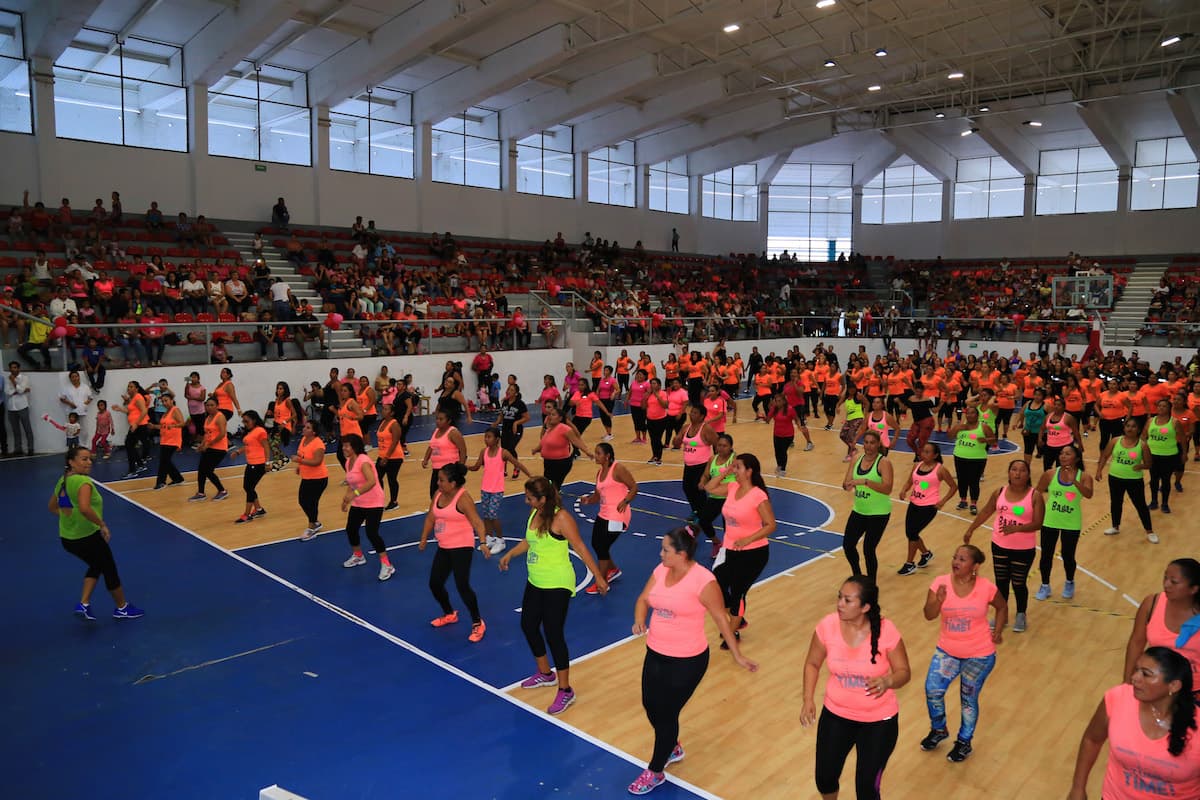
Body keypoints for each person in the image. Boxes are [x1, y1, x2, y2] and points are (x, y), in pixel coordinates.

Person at [628, 526, 757, 795]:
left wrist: (737, 655)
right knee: (649, 705)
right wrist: (640, 619)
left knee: (665, 713)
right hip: (656, 651)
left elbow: (721, 619)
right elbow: (643, 599)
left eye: (665, 550)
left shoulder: (703, 581)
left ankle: (655, 770)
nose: (660, 553)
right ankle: (672, 745)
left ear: (682, 554)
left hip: (688, 660)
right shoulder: (661, 570)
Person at [501, 477, 608, 715]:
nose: (526, 501)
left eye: (530, 497)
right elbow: (529, 542)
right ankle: (545, 673)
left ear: (543, 498)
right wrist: (511, 554)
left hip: (558, 583)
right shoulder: (535, 513)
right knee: (528, 625)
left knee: (553, 633)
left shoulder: (561, 518)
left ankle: (565, 689)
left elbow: (580, 547)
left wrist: (599, 577)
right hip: (536, 580)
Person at [800, 576, 910, 800]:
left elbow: (904, 672)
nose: (840, 603)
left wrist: (888, 681)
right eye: (839, 597)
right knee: (825, 777)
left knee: (867, 789)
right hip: (836, 716)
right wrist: (808, 699)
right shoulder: (827, 626)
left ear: (865, 607)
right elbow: (812, 663)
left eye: (848, 600)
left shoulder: (886, 631)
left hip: (879, 723)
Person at [1068, 647, 1199, 800]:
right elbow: (1092, 740)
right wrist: (1078, 788)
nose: (1134, 678)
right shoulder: (1117, 698)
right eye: (1136, 670)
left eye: (1146, 674)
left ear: (1173, 686)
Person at [920, 544, 1006, 763]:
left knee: (968, 699)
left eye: (962, 559)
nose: (956, 562)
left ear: (975, 566)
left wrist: (998, 630)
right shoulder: (940, 583)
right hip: (947, 651)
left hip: (979, 655)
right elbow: (928, 616)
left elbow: (1002, 607)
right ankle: (939, 730)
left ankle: (964, 741)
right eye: (955, 557)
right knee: (932, 690)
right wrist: (938, 601)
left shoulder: (986, 587)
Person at [49, 446, 144, 620]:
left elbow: (53, 507)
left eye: (90, 459)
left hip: (68, 539)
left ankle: (84, 604)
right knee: (109, 569)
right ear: (71, 462)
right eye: (83, 459)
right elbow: (85, 509)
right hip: (88, 537)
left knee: (97, 565)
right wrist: (102, 524)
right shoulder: (84, 482)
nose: (89, 462)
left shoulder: (62, 480)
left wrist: (70, 517)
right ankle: (122, 607)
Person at [703, 453, 776, 649]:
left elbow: (770, 525)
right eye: (733, 467)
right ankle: (737, 619)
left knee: (738, 592)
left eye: (738, 467)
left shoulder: (758, 495)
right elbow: (709, 488)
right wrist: (725, 472)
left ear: (749, 471)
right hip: (729, 548)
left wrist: (748, 539)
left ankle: (732, 632)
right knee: (716, 585)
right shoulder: (732, 487)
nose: (734, 470)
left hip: (754, 552)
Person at [964, 460, 1044, 634]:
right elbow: (985, 511)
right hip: (999, 545)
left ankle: (1021, 614)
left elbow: (1038, 523)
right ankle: (1003, 613)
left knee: (1018, 582)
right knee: (1001, 582)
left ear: (1028, 475)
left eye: (1022, 470)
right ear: (1008, 473)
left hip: (1024, 548)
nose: (1017, 473)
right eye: (1014, 470)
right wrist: (971, 529)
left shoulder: (1035, 496)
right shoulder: (999, 492)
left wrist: (1018, 528)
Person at [419, 462, 489, 641]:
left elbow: (477, 522)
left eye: (442, 480)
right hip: (444, 547)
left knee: (462, 585)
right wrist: (424, 538)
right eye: (438, 480)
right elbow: (430, 518)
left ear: (453, 483)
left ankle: (477, 622)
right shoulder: (438, 495)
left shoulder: (463, 498)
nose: (438, 483)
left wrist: (482, 542)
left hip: (461, 548)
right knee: (435, 583)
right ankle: (450, 613)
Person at [1123, 558, 1200, 691]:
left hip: (1194, 690)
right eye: (1165, 578)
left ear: (1193, 589)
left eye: (1174, 582)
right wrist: (1127, 683)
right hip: (1154, 687)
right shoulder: (1151, 603)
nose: (1166, 584)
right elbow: (1136, 642)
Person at [1034, 444, 1093, 601]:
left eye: (1067, 454)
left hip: (1071, 522)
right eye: (1061, 453)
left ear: (1077, 458)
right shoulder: (1050, 474)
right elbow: (1036, 493)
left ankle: (1069, 582)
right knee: (1046, 555)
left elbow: (1088, 495)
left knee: (1068, 556)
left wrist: (1075, 482)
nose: (1063, 456)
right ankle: (1045, 585)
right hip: (1050, 520)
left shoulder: (1085, 476)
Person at [579, 442, 637, 594]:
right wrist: (588, 500)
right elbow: (597, 496)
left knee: (602, 547)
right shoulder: (599, 473)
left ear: (607, 456)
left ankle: (602, 582)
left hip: (618, 515)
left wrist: (625, 501)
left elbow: (634, 487)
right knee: (596, 544)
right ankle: (613, 570)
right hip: (603, 513)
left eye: (598, 453)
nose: (596, 455)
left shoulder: (618, 469)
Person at [840, 430, 894, 581]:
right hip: (859, 510)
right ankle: (857, 576)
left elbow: (887, 489)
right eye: (866, 442)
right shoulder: (856, 458)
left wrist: (866, 482)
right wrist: (847, 485)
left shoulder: (884, 462)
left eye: (872, 443)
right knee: (848, 545)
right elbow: (846, 483)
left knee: (868, 549)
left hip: (878, 513)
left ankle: (871, 583)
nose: (868, 446)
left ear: (878, 444)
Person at [896, 442, 957, 575]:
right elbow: (909, 482)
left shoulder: (940, 470)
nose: (924, 453)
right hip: (914, 504)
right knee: (911, 533)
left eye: (928, 452)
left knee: (912, 534)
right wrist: (904, 490)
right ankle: (925, 553)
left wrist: (943, 501)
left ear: (935, 455)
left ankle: (909, 564)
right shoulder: (916, 465)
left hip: (929, 507)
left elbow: (953, 487)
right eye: (923, 451)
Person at [339, 434, 394, 581]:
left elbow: (371, 482)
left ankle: (387, 564)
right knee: (351, 528)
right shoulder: (348, 461)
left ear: (355, 447)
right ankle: (358, 556)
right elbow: (352, 482)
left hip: (374, 501)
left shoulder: (363, 461)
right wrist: (347, 498)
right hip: (359, 501)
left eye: (346, 446)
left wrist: (354, 494)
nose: (343, 448)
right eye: (343, 445)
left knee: (371, 533)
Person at [468, 427, 531, 555]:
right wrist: (466, 467)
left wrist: (530, 476)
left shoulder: (503, 453)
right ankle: (489, 538)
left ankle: (500, 540)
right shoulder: (483, 452)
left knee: (492, 514)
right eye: (485, 437)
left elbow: (517, 464)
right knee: (486, 515)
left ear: (497, 439)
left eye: (489, 437)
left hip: (497, 489)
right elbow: (476, 467)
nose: (486, 439)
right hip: (485, 488)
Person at [1095, 417, 1156, 543]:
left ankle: (1149, 531)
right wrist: (1099, 470)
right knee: (1116, 502)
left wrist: (1141, 466)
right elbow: (1105, 455)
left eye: (1133, 426)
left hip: (1134, 480)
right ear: (1124, 428)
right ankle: (1115, 526)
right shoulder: (1115, 441)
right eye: (1128, 426)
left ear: (1138, 430)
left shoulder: (1142, 445)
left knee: (1140, 505)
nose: (1130, 428)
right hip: (1115, 477)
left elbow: (1149, 463)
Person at [673, 404, 718, 525]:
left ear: (702, 416)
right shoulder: (686, 427)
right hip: (688, 465)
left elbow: (717, 443)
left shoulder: (706, 429)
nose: (691, 414)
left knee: (698, 490)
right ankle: (696, 510)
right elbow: (677, 442)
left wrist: (717, 462)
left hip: (702, 466)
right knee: (687, 488)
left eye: (695, 413)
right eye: (691, 412)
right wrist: (676, 440)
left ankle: (702, 515)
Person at [948, 405, 996, 515]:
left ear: (977, 415)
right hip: (959, 456)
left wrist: (985, 440)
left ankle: (973, 503)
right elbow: (950, 437)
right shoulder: (960, 426)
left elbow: (993, 441)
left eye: (972, 413)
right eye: (967, 413)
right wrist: (955, 429)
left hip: (977, 458)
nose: (969, 415)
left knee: (974, 481)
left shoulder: (983, 427)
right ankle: (963, 500)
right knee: (961, 479)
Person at [532, 404, 591, 489]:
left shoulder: (564, 429)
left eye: (553, 415)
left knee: (553, 486)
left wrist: (587, 451)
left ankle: (555, 500)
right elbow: (543, 443)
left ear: (560, 418)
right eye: (550, 414)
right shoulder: (549, 429)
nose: (550, 416)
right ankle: (554, 499)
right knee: (549, 484)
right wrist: (536, 449)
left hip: (561, 464)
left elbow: (576, 441)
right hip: (549, 463)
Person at [1145, 398, 1186, 514]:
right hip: (1152, 455)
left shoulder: (1174, 422)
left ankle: (1165, 503)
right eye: (1159, 406)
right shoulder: (1150, 421)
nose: (1161, 408)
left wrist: (1184, 453)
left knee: (1166, 480)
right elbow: (1144, 436)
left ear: (1169, 409)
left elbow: (1182, 439)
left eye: (1164, 406)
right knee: (1153, 480)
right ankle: (1153, 501)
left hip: (1169, 455)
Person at [228, 410, 269, 524]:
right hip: (251, 463)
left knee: (249, 488)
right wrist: (238, 452)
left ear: (254, 420)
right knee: (248, 487)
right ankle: (259, 510)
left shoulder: (260, 431)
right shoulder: (251, 432)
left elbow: (266, 447)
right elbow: (248, 446)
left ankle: (247, 514)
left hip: (259, 464)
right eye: (244, 421)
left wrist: (267, 463)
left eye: (247, 421)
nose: (245, 423)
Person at [189, 397, 229, 502]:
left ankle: (222, 491)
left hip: (219, 449)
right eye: (207, 405)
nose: (209, 407)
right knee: (201, 470)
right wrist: (202, 445)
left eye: (212, 405)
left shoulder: (220, 417)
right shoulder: (208, 418)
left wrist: (209, 444)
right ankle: (201, 493)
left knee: (208, 470)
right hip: (209, 447)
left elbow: (222, 434)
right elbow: (207, 434)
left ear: (217, 406)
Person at [295, 421, 329, 542]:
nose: (304, 429)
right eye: (305, 426)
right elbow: (303, 455)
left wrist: (300, 461)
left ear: (313, 432)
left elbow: (317, 462)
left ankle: (312, 526)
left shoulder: (318, 444)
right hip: (307, 477)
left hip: (319, 478)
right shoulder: (304, 439)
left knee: (311, 502)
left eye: (308, 428)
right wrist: (300, 466)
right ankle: (315, 522)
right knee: (302, 500)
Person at [422, 409, 467, 498]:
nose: (438, 421)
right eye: (437, 419)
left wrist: (460, 467)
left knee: (448, 495)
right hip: (437, 469)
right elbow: (431, 446)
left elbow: (463, 450)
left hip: (449, 470)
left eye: (441, 419)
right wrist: (425, 459)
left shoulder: (453, 433)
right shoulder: (436, 431)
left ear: (448, 421)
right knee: (434, 494)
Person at [113, 381, 151, 479]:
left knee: (129, 445)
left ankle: (132, 470)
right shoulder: (133, 398)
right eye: (128, 386)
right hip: (136, 425)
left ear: (137, 389)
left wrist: (136, 424)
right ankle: (140, 465)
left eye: (131, 387)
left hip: (139, 425)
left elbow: (144, 411)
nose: (128, 388)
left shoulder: (138, 397)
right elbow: (131, 411)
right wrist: (120, 409)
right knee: (130, 445)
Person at [372, 402, 404, 511]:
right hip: (382, 455)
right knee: (376, 478)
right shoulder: (383, 422)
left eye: (386, 409)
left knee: (391, 479)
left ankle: (394, 501)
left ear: (392, 412)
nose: (383, 411)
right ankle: (379, 500)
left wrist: (386, 457)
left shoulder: (394, 424)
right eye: (383, 409)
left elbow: (394, 442)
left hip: (394, 457)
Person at [151, 392, 185, 490]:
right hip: (165, 439)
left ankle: (161, 482)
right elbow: (163, 426)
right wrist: (154, 426)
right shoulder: (166, 413)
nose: (164, 403)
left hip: (173, 440)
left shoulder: (175, 410)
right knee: (165, 460)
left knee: (163, 461)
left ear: (171, 400)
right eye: (162, 401)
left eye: (166, 401)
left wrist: (173, 426)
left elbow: (182, 423)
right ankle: (178, 478)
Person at [496, 384, 529, 478]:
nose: (509, 391)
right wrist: (497, 422)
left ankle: (517, 467)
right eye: (508, 389)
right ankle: (504, 469)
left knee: (510, 448)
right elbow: (502, 415)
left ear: (516, 393)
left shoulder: (520, 404)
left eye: (511, 390)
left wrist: (516, 423)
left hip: (516, 430)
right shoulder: (505, 402)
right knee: (504, 449)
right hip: (505, 429)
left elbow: (527, 417)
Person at [5, 361, 33, 456]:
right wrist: (20, 390)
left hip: (22, 406)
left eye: (15, 367)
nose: (13, 369)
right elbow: (7, 392)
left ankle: (30, 448)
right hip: (11, 407)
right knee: (15, 430)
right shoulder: (7, 379)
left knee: (27, 428)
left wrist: (13, 381)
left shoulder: (25, 378)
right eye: (11, 368)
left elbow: (20, 390)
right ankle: (18, 449)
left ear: (18, 368)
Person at [1015, 387, 1048, 467]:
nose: (1037, 396)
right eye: (1035, 394)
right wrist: (1018, 423)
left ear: (1043, 396)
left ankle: (1047, 468)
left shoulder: (1046, 406)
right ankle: (1027, 467)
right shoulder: (1028, 403)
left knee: (1044, 451)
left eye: (1039, 395)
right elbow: (1021, 413)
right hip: (1028, 431)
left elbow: (1052, 417)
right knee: (1028, 450)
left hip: (1041, 433)